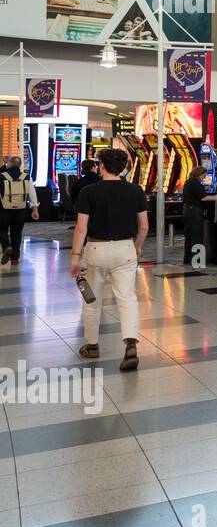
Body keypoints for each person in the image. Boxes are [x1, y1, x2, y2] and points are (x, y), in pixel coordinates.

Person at [69, 148, 149, 370]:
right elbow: (144, 226)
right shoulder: (136, 191)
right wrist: (138, 246)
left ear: (101, 166)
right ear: (123, 168)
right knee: (127, 298)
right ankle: (131, 344)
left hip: (96, 249)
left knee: (92, 299)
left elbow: (81, 228)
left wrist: (75, 256)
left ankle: (92, 345)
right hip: (125, 248)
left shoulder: (88, 191)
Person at [0, 156, 39, 265]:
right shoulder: (26, 177)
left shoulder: (2, 176)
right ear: (20, 165)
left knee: (2, 230)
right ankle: (14, 259)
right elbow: (32, 194)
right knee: (16, 233)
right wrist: (34, 209)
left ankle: (6, 246)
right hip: (21, 210)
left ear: (9, 164)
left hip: (4, 209)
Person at [181, 166, 208, 266]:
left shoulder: (188, 182)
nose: (204, 177)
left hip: (187, 210)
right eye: (204, 175)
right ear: (199, 174)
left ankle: (187, 258)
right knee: (197, 235)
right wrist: (215, 197)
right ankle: (196, 260)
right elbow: (204, 198)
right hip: (195, 211)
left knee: (189, 235)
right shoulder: (196, 184)